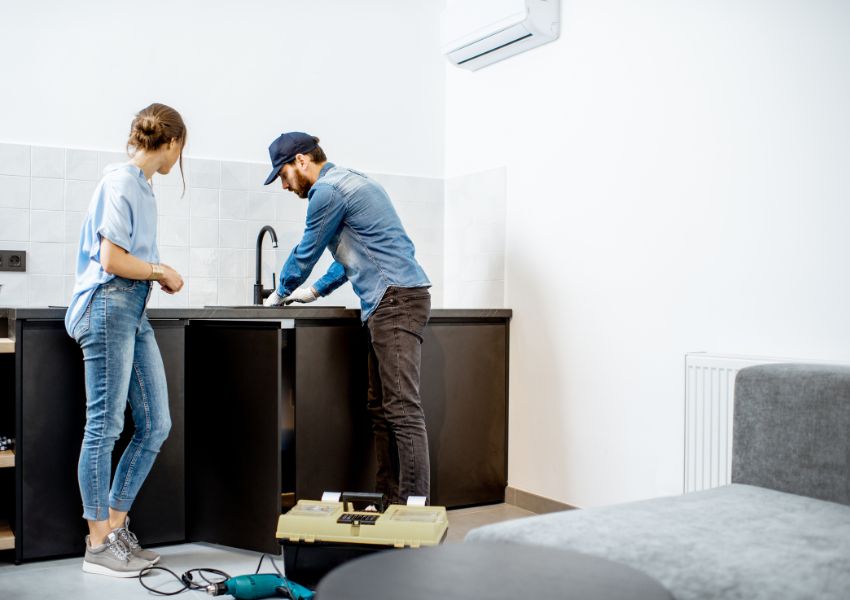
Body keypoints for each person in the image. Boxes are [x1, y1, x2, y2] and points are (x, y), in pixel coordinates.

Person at [262, 132, 432, 506]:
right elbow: (356, 254)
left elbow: (308, 249)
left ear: (302, 161)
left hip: (396, 300)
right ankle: (391, 502)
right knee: (382, 409)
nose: (285, 185)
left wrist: (279, 293)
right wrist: (317, 290)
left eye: (284, 175)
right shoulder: (354, 182)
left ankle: (416, 514)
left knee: (402, 409)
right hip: (390, 300)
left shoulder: (328, 191)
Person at [64, 103, 186, 577]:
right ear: (172, 142)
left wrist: (155, 274)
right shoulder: (120, 181)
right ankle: (97, 543)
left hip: (133, 308)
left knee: (156, 423)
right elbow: (112, 259)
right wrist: (162, 271)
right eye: (182, 147)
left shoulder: (143, 187)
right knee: (105, 425)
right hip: (108, 302)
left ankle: (115, 527)